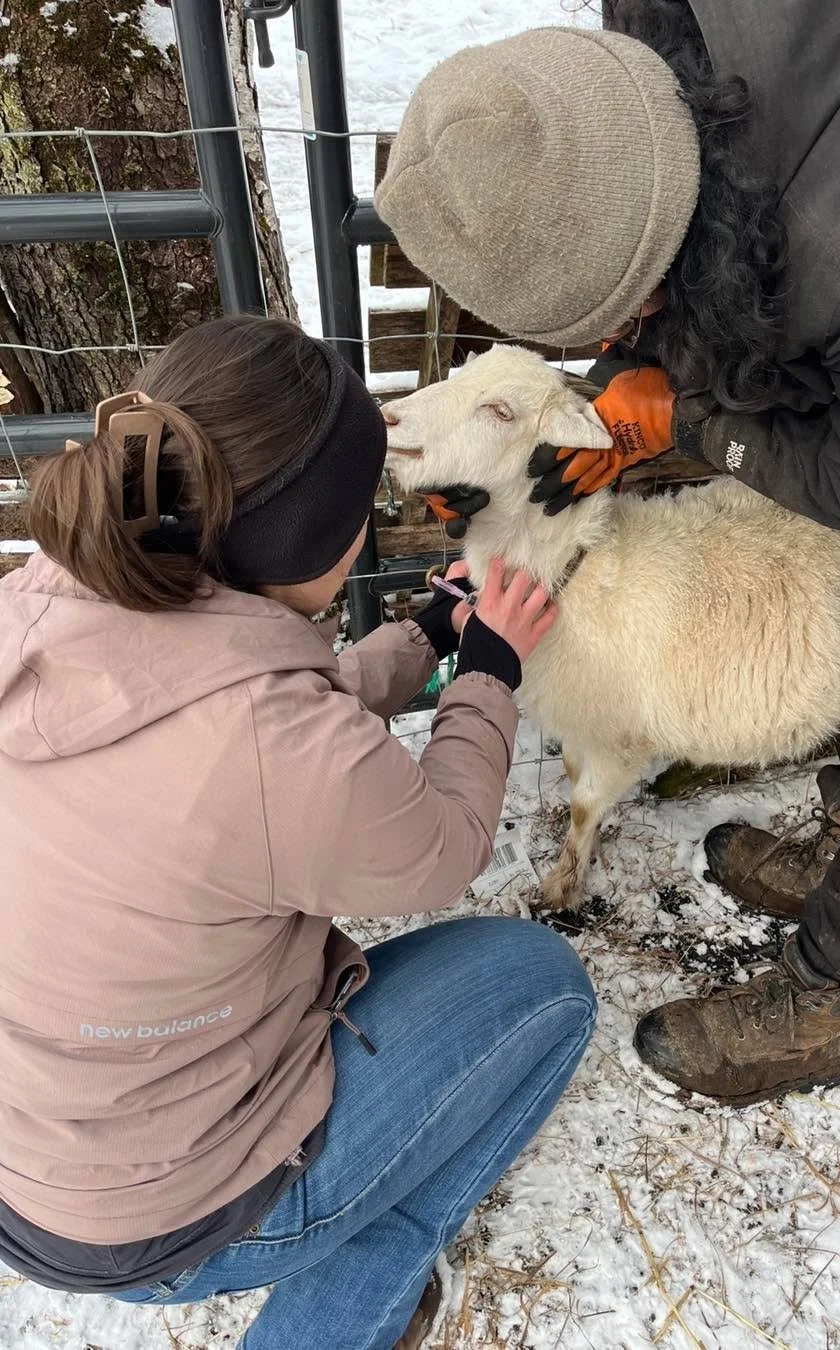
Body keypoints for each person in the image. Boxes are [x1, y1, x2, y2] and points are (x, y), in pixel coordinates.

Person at [374, 0, 840, 1104]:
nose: (621, 347)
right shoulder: (672, 45)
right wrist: (646, 365)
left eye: (629, 316)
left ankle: (832, 996)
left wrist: (693, 419)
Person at [0, 314, 596, 1349]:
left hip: (31, 1170)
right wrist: (489, 671)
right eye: (360, 510)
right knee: (545, 988)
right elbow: (442, 845)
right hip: (168, 1224)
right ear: (319, 537)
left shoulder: (38, 612)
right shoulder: (273, 747)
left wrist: (422, 637)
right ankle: (349, 1296)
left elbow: (241, 728)